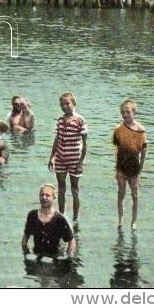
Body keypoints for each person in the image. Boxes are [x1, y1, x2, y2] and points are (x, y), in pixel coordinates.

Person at [48, 92, 88, 222]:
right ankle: (62, 215)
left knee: (74, 189)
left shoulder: (80, 120)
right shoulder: (60, 120)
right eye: (62, 104)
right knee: (61, 188)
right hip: (60, 158)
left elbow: (85, 143)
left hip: (75, 159)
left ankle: (75, 218)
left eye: (67, 103)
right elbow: (57, 139)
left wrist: (81, 161)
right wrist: (51, 157)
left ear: (74, 104)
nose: (64, 106)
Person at [112, 99, 147, 230]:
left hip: (134, 168)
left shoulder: (141, 131)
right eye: (122, 112)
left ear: (134, 113)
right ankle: (120, 218)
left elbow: (143, 151)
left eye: (128, 112)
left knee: (135, 195)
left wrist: (141, 169)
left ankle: (134, 220)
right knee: (121, 193)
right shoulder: (118, 130)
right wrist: (117, 167)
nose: (125, 115)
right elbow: (118, 148)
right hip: (121, 166)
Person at [21, 184, 76, 261]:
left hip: (55, 256)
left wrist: (69, 257)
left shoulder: (60, 219)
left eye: (47, 195)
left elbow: (71, 240)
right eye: (42, 195)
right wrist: (26, 253)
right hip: (37, 255)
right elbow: (26, 237)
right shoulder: (32, 216)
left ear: (54, 198)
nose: (44, 198)